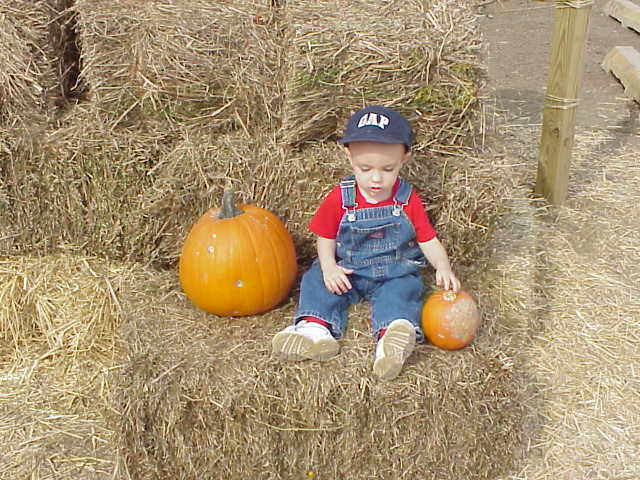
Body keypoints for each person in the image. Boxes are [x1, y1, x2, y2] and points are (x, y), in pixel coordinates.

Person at [272, 105, 460, 380]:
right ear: (349, 157)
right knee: (316, 280)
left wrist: (442, 266)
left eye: (387, 169)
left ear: (404, 158)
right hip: (349, 271)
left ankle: (393, 337)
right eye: (365, 168)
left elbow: (427, 238)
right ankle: (314, 329)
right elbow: (326, 235)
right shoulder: (341, 196)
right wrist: (328, 267)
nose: (375, 178)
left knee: (404, 290)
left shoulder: (407, 198)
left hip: (394, 271)